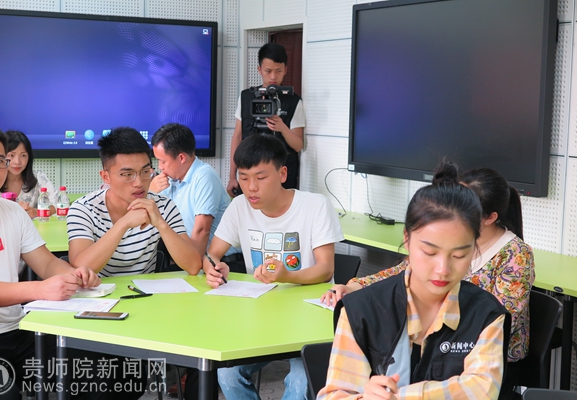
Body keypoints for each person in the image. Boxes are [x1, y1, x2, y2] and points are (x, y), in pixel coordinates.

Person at [321, 167, 534, 389]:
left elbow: (479, 387)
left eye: (459, 255)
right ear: (407, 239)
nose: (442, 269)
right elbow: (398, 272)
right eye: (430, 252)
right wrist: (356, 285)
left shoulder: (489, 310)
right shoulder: (359, 311)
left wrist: (398, 395)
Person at [205, 134, 344, 400]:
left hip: (310, 318)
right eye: (243, 178)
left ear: (282, 174)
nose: (251, 188)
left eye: (260, 177)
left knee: (300, 382)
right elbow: (212, 254)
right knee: (228, 374)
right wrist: (214, 268)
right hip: (260, 316)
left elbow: (326, 268)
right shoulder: (239, 207)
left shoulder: (315, 205)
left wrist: (287, 275)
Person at [0, 119, 100, 400]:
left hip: (19, 329)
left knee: (95, 373)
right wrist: (39, 289)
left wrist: (74, 274)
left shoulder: (13, 212)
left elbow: (46, 264)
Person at [67, 127, 201, 277]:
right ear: (106, 177)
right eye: (127, 174)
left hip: (145, 291)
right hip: (98, 290)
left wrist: (161, 224)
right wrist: (123, 224)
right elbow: (79, 269)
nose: (139, 183)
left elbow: (194, 266)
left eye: (145, 172)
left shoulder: (163, 206)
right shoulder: (84, 209)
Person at [149, 123, 242, 265]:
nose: (160, 167)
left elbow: (202, 230)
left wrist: (193, 266)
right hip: (189, 263)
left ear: (181, 158)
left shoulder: (204, 176)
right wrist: (151, 193)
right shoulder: (168, 180)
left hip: (221, 263)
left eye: (163, 161)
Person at [227, 42, 305, 195]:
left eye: (278, 71)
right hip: (250, 171)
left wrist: (282, 128)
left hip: (281, 176)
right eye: (268, 71)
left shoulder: (294, 101)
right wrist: (232, 176)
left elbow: (298, 145)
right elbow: (237, 137)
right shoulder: (247, 97)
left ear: (285, 70)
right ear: (259, 69)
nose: (273, 76)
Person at [0, 130, 57, 219]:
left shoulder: (38, 177)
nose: (17, 162)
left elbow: (58, 204)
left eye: (23, 155)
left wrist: (35, 212)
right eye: (11, 155)